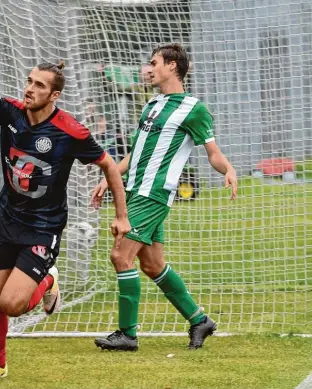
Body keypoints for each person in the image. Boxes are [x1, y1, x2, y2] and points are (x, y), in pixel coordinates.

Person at [0, 17, 130, 380]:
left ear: (54, 95)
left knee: (12, 304)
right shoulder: (11, 111)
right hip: (8, 221)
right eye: (29, 81)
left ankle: (49, 281)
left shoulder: (70, 130)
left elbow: (108, 165)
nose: (29, 88)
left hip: (43, 228)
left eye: (38, 85)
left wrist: (121, 216)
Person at [91, 44, 238, 351]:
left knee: (120, 256)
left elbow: (212, 152)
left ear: (172, 66)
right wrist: (110, 178)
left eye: (154, 62)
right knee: (153, 265)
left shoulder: (194, 109)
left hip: (153, 194)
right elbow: (135, 153)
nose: (149, 68)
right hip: (134, 190)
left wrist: (228, 169)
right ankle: (200, 320)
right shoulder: (152, 105)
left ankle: (127, 335)